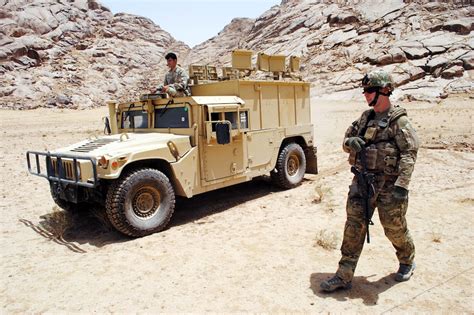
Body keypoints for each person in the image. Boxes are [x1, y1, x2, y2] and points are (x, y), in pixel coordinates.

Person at [320, 69, 419, 292]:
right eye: (365, 90)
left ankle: (407, 260)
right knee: (354, 227)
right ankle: (343, 275)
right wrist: (350, 142)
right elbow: (345, 140)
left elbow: (409, 153)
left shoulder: (398, 121)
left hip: (388, 186)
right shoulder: (365, 118)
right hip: (362, 183)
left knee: (393, 227)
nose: (365, 95)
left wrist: (402, 186)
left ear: (384, 91)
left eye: (369, 90)